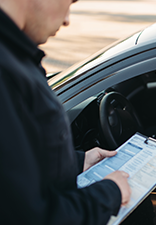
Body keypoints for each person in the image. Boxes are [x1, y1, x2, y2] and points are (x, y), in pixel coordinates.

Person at [0, 0, 131, 224]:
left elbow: (26, 161)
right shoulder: (6, 72)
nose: (67, 19)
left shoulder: (15, 57)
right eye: (69, 2)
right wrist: (110, 193)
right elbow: (29, 216)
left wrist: (77, 162)